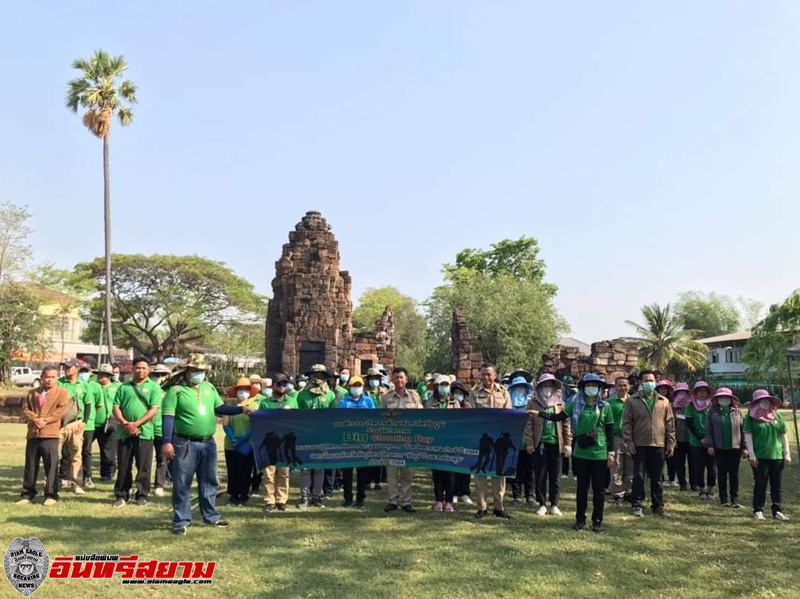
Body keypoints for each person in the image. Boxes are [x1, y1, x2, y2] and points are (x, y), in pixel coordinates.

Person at [161, 354, 251, 535]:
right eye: (195, 370)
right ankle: (181, 519)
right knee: (182, 482)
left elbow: (219, 409)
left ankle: (211, 516)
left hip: (208, 443)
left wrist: (241, 409)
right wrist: (166, 442)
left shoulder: (209, 387)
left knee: (209, 481)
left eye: (202, 371)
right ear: (187, 372)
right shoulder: (176, 391)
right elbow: (168, 418)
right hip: (185, 443)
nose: (199, 374)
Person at [532, 372, 614, 532]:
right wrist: (540, 414)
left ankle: (597, 520)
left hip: (599, 452)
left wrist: (611, 452)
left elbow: (610, 431)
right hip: (581, 453)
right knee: (581, 488)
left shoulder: (605, 407)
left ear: (599, 389)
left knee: (598, 489)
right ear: (583, 388)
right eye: (588, 386)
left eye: (595, 386)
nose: (591, 388)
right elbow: (558, 417)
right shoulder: (575, 404)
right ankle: (580, 520)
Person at [622, 370, 676, 518]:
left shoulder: (663, 401)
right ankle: (637, 505)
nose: (649, 383)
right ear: (640, 382)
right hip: (639, 444)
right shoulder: (632, 401)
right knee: (638, 476)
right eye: (646, 380)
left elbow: (670, 423)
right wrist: (629, 441)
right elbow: (626, 423)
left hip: (658, 444)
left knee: (657, 477)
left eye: (652, 380)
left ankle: (658, 505)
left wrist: (671, 442)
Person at [111, 357, 163, 507]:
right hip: (124, 432)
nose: (140, 370)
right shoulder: (124, 387)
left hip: (145, 432)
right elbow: (116, 407)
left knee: (144, 466)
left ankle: (141, 495)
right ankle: (121, 495)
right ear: (132, 369)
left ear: (149, 370)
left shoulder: (154, 387)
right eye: (138, 368)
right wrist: (126, 423)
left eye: (144, 368)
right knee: (123, 465)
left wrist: (137, 424)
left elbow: (154, 409)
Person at [18, 366, 69, 506]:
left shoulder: (62, 393)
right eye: (47, 377)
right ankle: (27, 494)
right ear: (41, 377)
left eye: (53, 377)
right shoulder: (32, 393)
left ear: (57, 378)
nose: (49, 380)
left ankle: (51, 494)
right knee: (31, 465)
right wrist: (35, 419)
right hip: (33, 434)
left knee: (51, 465)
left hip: (50, 434)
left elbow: (61, 411)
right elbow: (25, 409)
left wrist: (45, 420)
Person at [468, 364, 512, 520]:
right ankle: (481, 508)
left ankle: (499, 507)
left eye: (488, 374)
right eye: (483, 375)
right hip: (482, 439)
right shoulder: (474, 393)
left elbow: (510, 414)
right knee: (480, 472)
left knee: (499, 474)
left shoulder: (504, 392)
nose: (486, 377)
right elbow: (472, 416)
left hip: (499, 440)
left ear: (495, 375)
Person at [524, 373, 572, 516]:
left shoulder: (560, 403)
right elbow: (528, 425)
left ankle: (554, 504)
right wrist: (529, 443)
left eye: (550, 386)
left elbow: (566, 424)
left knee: (555, 476)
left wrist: (568, 443)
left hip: (556, 444)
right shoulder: (533, 403)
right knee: (540, 475)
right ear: (539, 387)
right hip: (541, 443)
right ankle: (542, 503)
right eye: (544, 386)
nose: (547, 388)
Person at [744, 389, 791, 521]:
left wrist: (786, 453)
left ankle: (777, 510)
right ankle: (758, 510)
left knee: (777, 484)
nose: (765, 402)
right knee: (761, 483)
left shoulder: (777, 416)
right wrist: (752, 455)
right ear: (756, 402)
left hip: (777, 456)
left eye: (767, 400)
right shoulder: (751, 417)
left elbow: (783, 435)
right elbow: (748, 435)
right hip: (760, 456)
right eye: (761, 400)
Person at [380, 367, 423, 513]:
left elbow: (420, 418)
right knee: (391, 473)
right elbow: (380, 418)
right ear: (392, 379)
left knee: (407, 473)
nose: (399, 380)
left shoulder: (414, 397)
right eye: (396, 377)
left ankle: (406, 502)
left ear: (406, 379)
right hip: (391, 441)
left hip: (408, 441)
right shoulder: (386, 397)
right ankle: (392, 501)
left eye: (402, 377)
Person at [258, 374, 299, 512]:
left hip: (286, 442)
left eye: (284, 384)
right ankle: (269, 501)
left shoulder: (293, 401)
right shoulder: (265, 402)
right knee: (269, 474)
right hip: (270, 442)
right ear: (273, 385)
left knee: (283, 473)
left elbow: (297, 421)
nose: (282, 387)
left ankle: (281, 500)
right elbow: (261, 422)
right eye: (279, 384)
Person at [297, 365, 336, 506]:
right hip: (306, 435)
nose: (317, 378)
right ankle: (304, 497)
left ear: (325, 376)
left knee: (319, 468)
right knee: (306, 468)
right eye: (315, 374)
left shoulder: (330, 395)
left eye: (320, 375)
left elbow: (333, 417)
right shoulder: (301, 395)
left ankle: (317, 496)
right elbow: (297, 416)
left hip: (322, 436)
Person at [704, 387, 746, 508]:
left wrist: (744, 447)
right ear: (717, 399)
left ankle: (735, 498)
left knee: (734, 474)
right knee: (721, 474)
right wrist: (710, 445)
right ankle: (724, 498)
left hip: (735, 448)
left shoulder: (737, 412)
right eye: (721, 397)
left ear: (731, 399)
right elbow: (709, 430)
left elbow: (743, 431)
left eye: (726, 397)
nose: (724, 399)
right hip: (719, 447)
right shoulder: (712, 412)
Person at [57, 358, 93, 495]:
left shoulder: (84, 385)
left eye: (69, 367)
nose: (67, 369)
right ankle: (53, 482)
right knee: (55, 455)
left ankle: (76, 483)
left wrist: (84, 422)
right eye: (65, 367)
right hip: (60, 424)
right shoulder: (59, 383)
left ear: (77, 369)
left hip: (76, 424)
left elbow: (88, 404)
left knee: (76, 455)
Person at [338, 376, 375, 509]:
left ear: (362, 387)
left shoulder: (369, 402)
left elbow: (374, 419)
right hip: (348, 441)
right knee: (347, 471)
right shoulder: (343, 402)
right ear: (349, 387)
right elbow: (340, 421)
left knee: (363, 472)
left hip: (365, 442)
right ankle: (348, 499)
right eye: (354, 385)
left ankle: (360, 499)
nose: (357, 388)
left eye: (359, 385)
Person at [223, 377, 259, 507]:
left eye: (246, 390)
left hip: (247, 445)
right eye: (240, 390)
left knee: (245, 471)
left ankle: (243, 496)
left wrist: (244, 438)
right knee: (232, 471)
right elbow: (225, 423)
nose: (243, 392)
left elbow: (256, 425)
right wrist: (233, 437)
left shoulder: (254, 407)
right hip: (231, 445)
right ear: (236, 391)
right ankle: (233, 495)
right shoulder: (230, 407)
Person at [427, 375, 461, 512]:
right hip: (435, 441)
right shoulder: (430, 403)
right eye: (442, 385)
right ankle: (439, 501)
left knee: (450, 473)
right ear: (436, 386)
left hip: (451, 441)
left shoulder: (455, 403)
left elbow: (458, 421)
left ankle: (449, 501)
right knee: (437, 473)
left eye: (447, 385)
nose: (444, 387)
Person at [685, 381, 717, 501]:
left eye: (705, 391)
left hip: (712, 441)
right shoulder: (690, 406)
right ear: (696, 393)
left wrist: (710, 440)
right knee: (699, 466)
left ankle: (710, 489)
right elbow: (690, 424)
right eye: (700, 391)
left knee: (712, 467)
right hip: (696, 442)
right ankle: (702, 489)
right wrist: (700, 438)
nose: (702, 394)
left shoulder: (713, 405)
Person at [507, 372, 534, 508]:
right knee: (514, 471)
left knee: (529, 470)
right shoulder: (508, 403)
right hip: (513, 442)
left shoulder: (530, 403)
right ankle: (516, 495)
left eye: (522, 387)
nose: (520, 389)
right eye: (517, 387)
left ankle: (530, 495)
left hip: (528, 443)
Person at [92, 363, 120, 483]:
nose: (100, 377)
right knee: (85, 449)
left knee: (108, 450)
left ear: (109, 376)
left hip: (110, 423)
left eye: (103, 375)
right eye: (99, 375)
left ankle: (107, 473)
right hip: (93, 422)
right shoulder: (93, 386)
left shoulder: (118, 387)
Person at [608, 376, 633, 504]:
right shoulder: (610, 403)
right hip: (616, 437)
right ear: (615, 387)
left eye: (625, 385)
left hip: (631, 438)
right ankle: (617, 493)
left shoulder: (634, 401)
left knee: (630, 466)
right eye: (620, 385)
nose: (623, 387)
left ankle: (630, 491)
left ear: (629, 386)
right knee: (616, 465)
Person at [149, 363, 172, 497]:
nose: (159, 377)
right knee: (144, 460)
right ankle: (142, 484)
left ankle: (159, 485)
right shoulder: (147, 390)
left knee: (161, 458)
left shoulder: (168, 393)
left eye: (162, 375)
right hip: (146, 429)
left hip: (161, 429)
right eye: (156, 375)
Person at [450, 380, 474, 505]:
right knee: (453, 468)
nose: (458, 394)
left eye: (460, 392)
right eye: (455, 392)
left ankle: (465, 493)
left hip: (465, 440)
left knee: (465, 468)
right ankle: (453, 493)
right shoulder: (448, 405)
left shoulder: (468, 407)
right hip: (452, 439)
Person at [671, 382, 696, 492]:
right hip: (678, 439)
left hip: (691, 439)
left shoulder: (693, 406)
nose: (682, 395)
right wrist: (672, 439)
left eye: (684, 392)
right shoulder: (672, 407)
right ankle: (682, 484)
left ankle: (694, 484)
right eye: (680, 392)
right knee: (679, 463)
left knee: (693, 463)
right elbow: (670, 423)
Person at [655, 380, 678, 487]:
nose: (663, 390)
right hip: (658, 433)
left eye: (665, 388)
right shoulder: (655, 401)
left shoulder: (674, 402)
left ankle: (672, 478)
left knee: (671, 457)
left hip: (670, 432)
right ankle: (661, 478)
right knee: (659, 459)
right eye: (661, 388)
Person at [560, 376, 578, 479]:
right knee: (564, 451)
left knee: (575, 451)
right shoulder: (562, 395)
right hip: (563, 424)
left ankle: (576, 473)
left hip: (574, 425)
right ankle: (564, 472)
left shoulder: (576, 395)